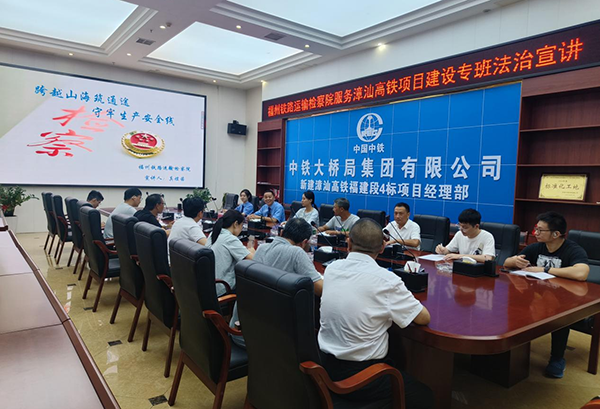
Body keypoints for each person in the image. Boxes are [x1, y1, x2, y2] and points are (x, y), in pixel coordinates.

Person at [318, 219, 433, 408]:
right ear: (382, 248)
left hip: (324, 364)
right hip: (360, 376)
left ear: (348, 243)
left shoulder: (332, 269)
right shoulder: (386, 280)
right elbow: (423, 318)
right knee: (424, 396)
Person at [504, 211, 589, 378]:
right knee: (517, 305)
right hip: (538, 295)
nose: (535, 233)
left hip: (566, 298)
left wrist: (545, 269)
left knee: (560, 316)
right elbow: (507, 262)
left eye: (540, 230)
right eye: (536, 229)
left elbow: (582, 273)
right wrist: (515, 261)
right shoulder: (536, 247)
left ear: (555, 234)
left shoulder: (572, 249)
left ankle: (557, 358)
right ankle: (514, 348)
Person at [254, 217, 323, 296]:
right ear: (304, 242)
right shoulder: (297, 253)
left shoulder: (261, 248)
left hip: (256, 299)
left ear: (281, 233)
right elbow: (320, 289)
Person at [206, 209, 255, 296]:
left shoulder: (213, 234)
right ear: (235, 224)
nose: (241, 229)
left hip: (209, 285)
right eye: (242, 226)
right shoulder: (230, 239)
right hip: (222, 288)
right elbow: (253, 260)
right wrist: (252, 251)